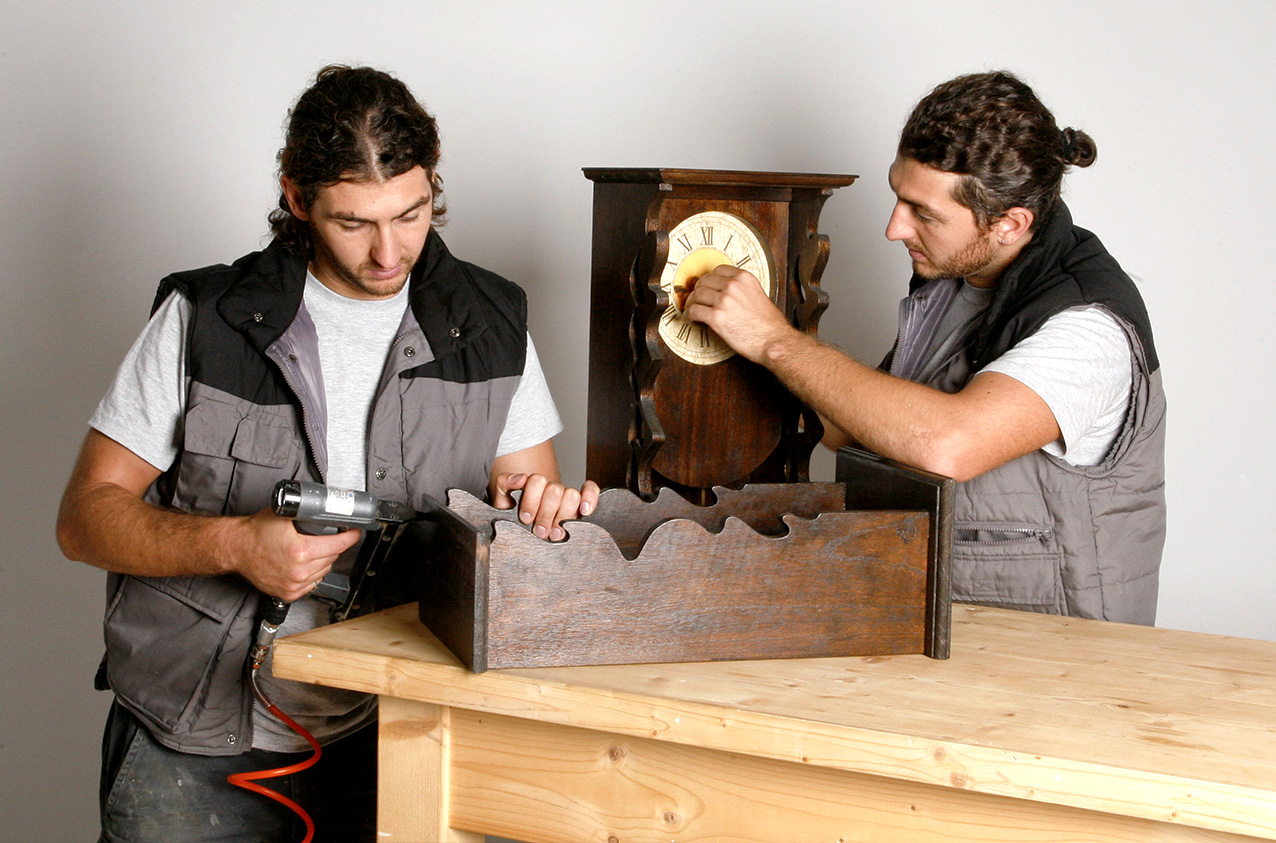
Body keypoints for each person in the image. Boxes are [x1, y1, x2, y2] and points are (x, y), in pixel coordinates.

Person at [56, 65, 598, 842]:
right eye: (354, 223)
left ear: (432, 183)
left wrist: (542, 518)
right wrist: (235, 545)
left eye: (411, 214)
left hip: (404, 738)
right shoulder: (203, 319)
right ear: (297, 196)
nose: (389, 252)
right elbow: (83, 518)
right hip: (191, 744)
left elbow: (528, 532)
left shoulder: (491, 324)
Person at [683, 70, 1165, 625]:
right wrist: (741, 338)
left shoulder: (1089, 325)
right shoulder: (950, 285)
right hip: (932, 625)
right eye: (898, 196)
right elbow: (859, 429)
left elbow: (947, 446)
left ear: (1010, 224)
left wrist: (774, 341)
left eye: (923, 212)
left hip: (1061, 655)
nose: (894, 228)